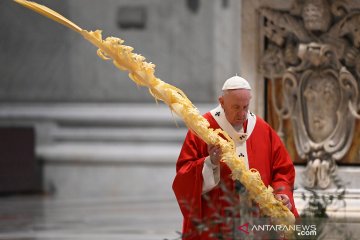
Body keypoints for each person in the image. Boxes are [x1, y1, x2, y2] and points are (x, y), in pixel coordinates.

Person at [172, 76, 299, 239]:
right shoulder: (202, 128)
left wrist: (282, 193)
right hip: (219, 222)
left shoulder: (261, 129)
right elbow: (184, 177)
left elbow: (282, 170)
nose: (242, 114)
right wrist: (210, 163)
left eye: (246, 107)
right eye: (236, 107)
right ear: (222, 102)